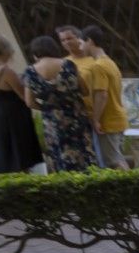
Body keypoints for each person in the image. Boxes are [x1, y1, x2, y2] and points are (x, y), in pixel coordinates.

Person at [56, 23, 129, 169]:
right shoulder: (109, 62)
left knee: (113, 162)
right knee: (115, 158)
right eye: (62, 40)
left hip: (106, 119)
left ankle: (130, 187)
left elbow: (102, 94)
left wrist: (95, 120)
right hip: (115, 117)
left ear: (89, 41)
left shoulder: (97, 65)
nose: (80, 46)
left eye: (80, 42)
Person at [21, 34, 96, 172]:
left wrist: (47, 108)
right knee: (83, 153)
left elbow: (29, 101)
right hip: (75, 115)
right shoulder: (68, 65)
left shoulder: (30, 72)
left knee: (58, 154)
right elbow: (85, 90)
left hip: (52, 120)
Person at [0, 34, 45, 174]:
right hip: (11, 116)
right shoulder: (6, 71)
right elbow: (24, 96)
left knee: (1, 153)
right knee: (19, 155)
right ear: (6, 52)